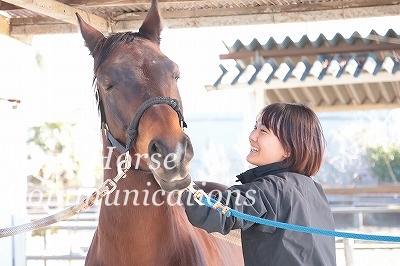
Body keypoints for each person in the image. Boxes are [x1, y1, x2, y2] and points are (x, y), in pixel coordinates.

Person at [182, 102, 336, 266]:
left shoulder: (270, 189)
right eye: (255, 127)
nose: (252, 136)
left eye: (263, 131)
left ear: (288, 149)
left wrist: (179, 181)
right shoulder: (316, 192)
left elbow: (214, 212)